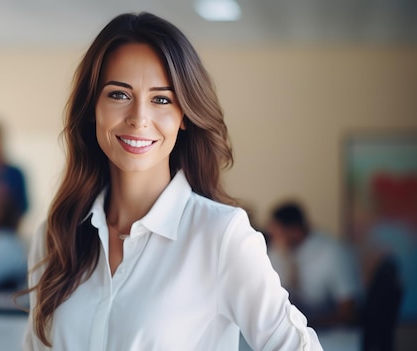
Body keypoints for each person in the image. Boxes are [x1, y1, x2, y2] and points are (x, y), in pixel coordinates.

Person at [23, 12, 322, 350]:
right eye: (119, 95)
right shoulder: (54, 235)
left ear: (184, 116)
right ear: (93, 107)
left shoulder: (220, 236)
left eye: (161, 99)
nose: (139, 118)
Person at [267, 201, 359, 328]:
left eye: (277, 234)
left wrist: (305, 324)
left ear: (294, 230)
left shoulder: (334, 253)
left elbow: (348, 312)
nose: (274, 240)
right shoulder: (277, 253)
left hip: (333, 333)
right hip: (292, 331)